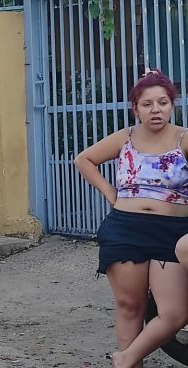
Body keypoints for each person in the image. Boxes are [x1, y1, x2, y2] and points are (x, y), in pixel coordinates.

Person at [74, 69, 188, 368]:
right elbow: (84, 159)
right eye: (147, 104)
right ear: (135, 108)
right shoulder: (126, 136)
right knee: (129, 306)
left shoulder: (183, 138)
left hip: (174, 234)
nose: (156, 110)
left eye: (162, 103)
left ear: (171, 105)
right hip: (127, 229)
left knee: (174, 312)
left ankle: (126, 358)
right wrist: (112, 194)